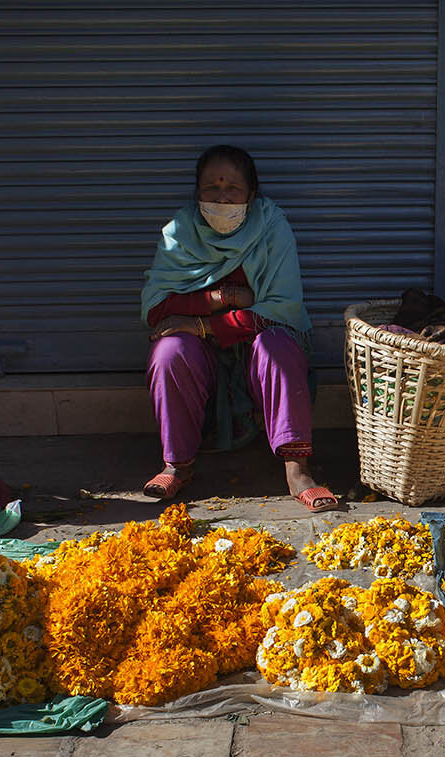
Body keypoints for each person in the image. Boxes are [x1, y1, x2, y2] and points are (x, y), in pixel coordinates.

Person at [140, 144, 338, 511]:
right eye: (211, 189)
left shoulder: (273, 228)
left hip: (258, 348)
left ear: (251, 193)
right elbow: (159, 310)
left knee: (277, 345)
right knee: (169, 350)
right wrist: (225, 297)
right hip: (205, 362)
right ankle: (177, 465)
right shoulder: (180, 232)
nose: (221, 197)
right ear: (196, 193)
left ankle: (298, 470)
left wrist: (199, 323)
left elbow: (280, 311)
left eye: (232, 188)